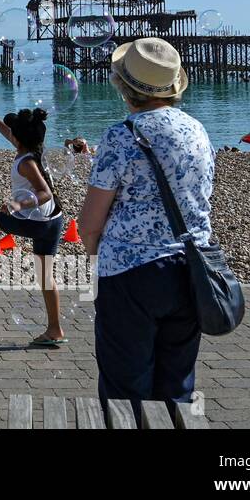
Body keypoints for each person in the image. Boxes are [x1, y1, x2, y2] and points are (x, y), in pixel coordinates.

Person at [77, 37, 215, 420]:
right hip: (191, 270)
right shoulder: (198, 131)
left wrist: (94, 255)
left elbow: (90, 223)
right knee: (177, 387)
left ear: (124, 85)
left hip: (130, 275)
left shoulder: (121, 136)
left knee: (125, 391)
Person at [0, 107, 66, 347]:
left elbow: (44, 193)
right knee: (46, 276)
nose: (10, 135)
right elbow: (11, 134)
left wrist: (17, 203)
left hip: (34, 222)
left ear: (19, 138)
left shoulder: (25, 162)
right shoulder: (34, 150)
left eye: (12, 132)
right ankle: (55, 329)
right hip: (54, 219)